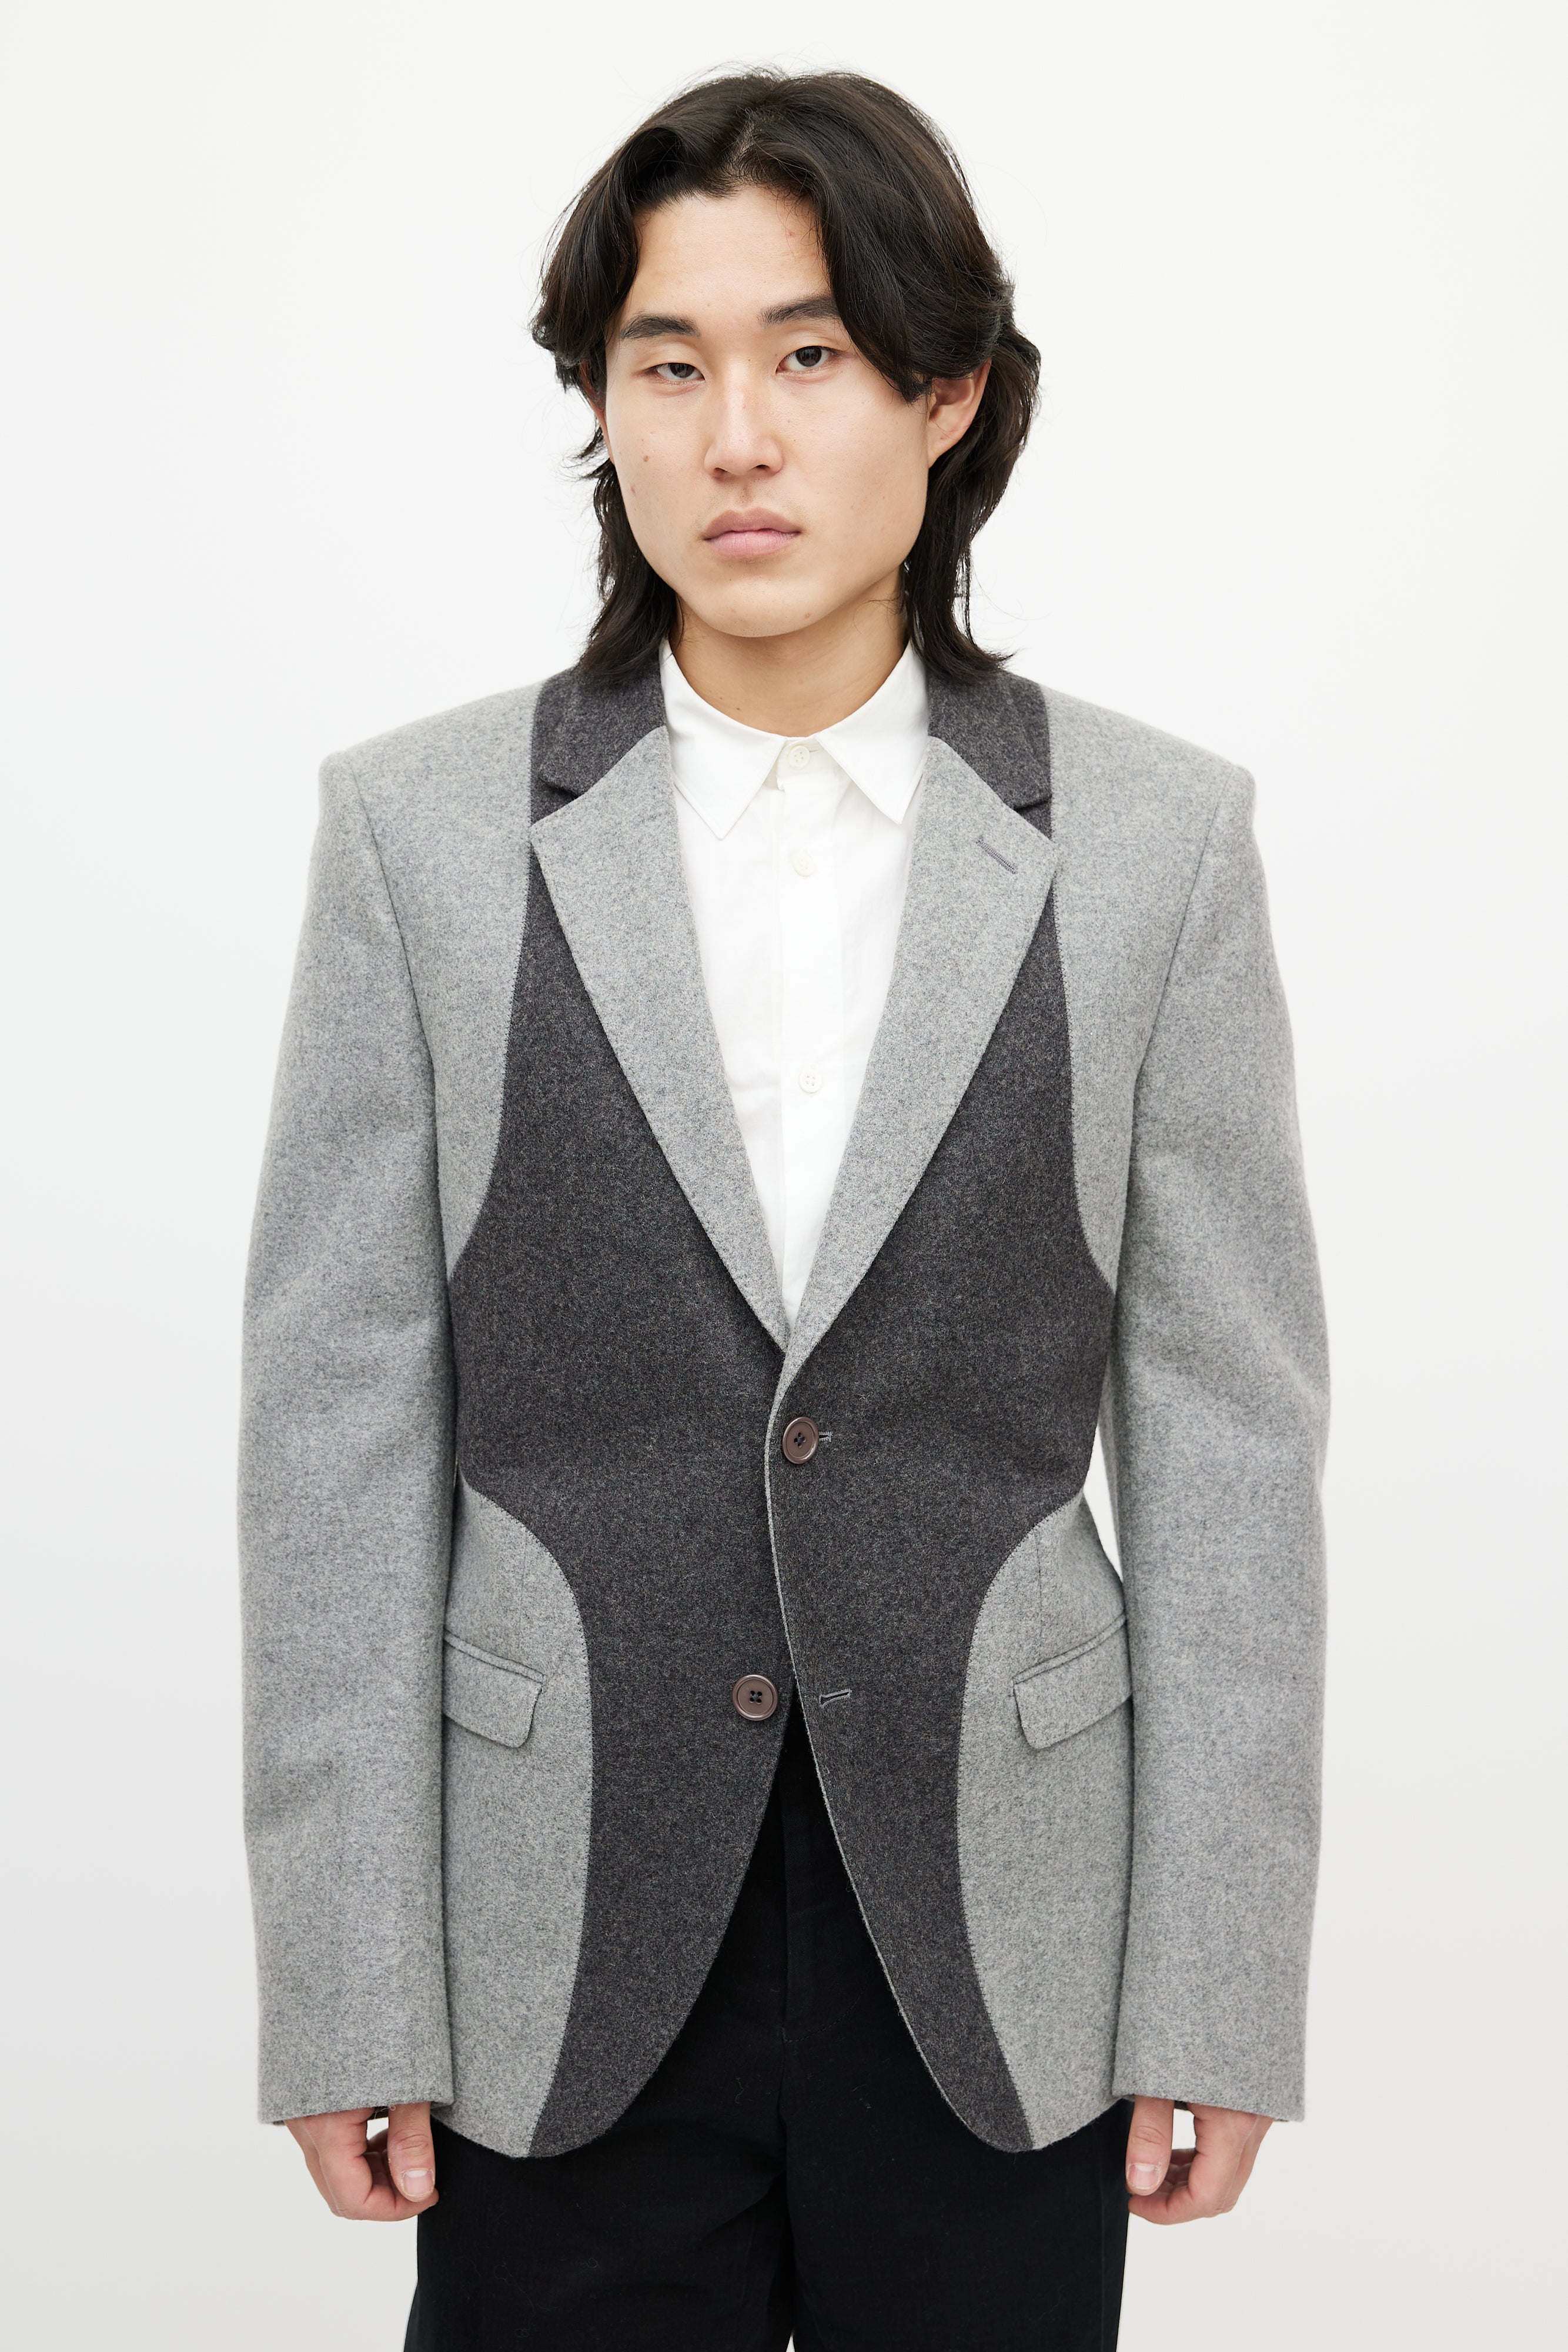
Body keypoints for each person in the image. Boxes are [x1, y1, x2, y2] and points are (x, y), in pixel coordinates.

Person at [241, 68, 1328, 2350]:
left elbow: (1229, 1443)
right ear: (602, 407)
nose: (735, 437)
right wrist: (347, 1981)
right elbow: (333, 1434)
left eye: (809, 355)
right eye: (669, 365)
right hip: (550, 1944)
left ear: (945, 394)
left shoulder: (1156, 845)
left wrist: (1216, 1983)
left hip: (1003, 1946)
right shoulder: (419, 839)